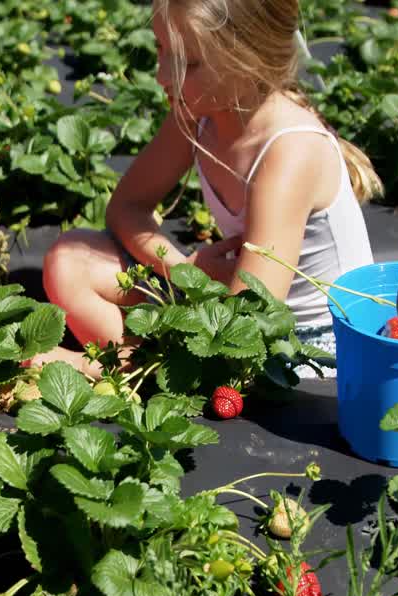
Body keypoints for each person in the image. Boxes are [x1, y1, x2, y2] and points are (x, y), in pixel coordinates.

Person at [40, 0, 379, 377]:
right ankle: (136, 366)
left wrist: (76, 366)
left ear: (248, 62)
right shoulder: (200, 113)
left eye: (190, 63)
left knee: (216, 362)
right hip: (235, 304)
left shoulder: (289, 153)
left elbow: (248, 326)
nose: (162, 75)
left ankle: (122, 370)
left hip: (301, 348)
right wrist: (185, 269)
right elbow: (127, 208)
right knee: (69, 263)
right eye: (161, 49)